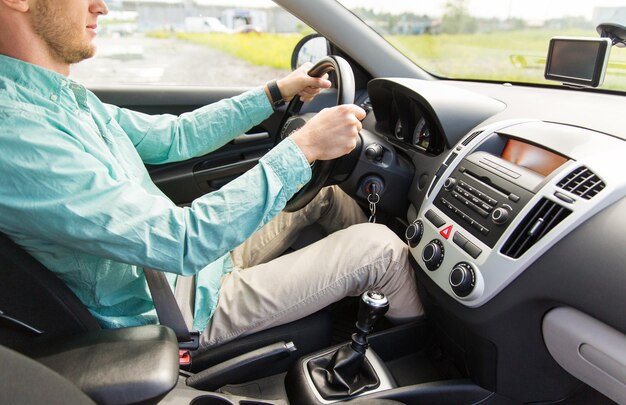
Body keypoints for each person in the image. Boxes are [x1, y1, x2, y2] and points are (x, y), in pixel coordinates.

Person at [0, 0, 423, 351]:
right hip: (172, 305)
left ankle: (385, 304)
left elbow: (175, 137)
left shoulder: (59, 99)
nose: (102, 7)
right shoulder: (17, 133)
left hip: (189, 269)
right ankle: (428, 359)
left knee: (320, 194)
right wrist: (304, 147)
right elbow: (181, 241)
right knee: (380, 250)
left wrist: (277, 92)